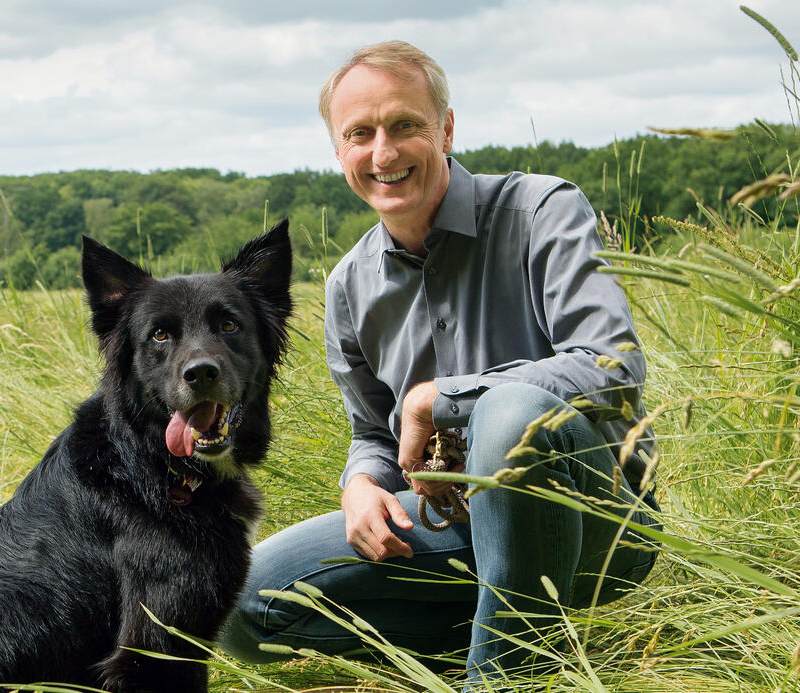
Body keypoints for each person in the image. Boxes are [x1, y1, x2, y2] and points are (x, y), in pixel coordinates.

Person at [216, 41, 660, 685]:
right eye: (359, 134)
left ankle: (502, 678)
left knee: (513, 412)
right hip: (449, 530)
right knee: (242, 600)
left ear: (446, 129)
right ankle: (496, 643)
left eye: (406, 126)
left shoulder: (542, 211)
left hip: (599, 525)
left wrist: (438, 398)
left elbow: (612, 366)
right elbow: (372, 433)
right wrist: (360, 484)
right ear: (339, 152)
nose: (384, 153)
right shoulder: (346, 287)